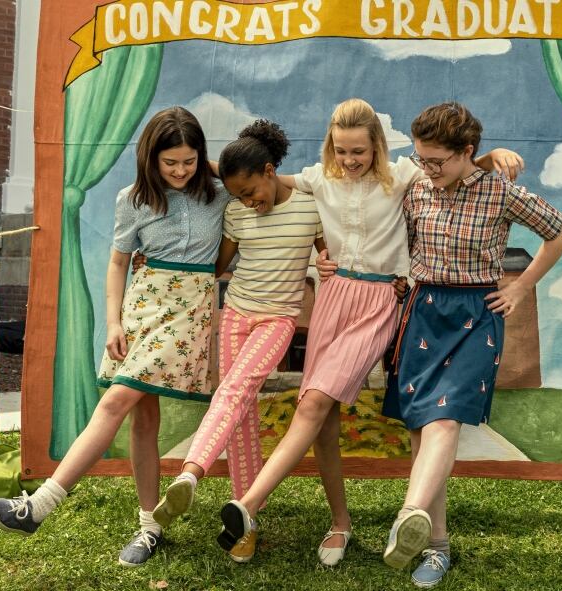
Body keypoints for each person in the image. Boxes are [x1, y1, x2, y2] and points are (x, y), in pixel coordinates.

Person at [213, 98, 525, 567]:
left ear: (376, 145)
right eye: (341, 151)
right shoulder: (319, 179)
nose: (350, 160)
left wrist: (489, 155)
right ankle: (339, 522)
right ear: (330, 147)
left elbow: (454, 166)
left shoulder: (403, 176)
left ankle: (250, 505)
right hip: (333, 298)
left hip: (379, 302)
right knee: (320, 414)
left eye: (358, 150)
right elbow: (264, 182)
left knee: (315, 400)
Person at [0, 106, 232, 567]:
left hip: (188, 312)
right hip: (141, 307)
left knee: (115, 402)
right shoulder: (132, 198)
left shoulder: (219, 194)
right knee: (143, 419)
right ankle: (149, 528)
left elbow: (265, 181)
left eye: (189, 160)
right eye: (169, 162)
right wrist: (114, 322)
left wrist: (212, 166)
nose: (179, 171)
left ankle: (40, 505)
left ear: (202, 157)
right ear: (149, 159)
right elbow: (119, 263)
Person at [380, 102, 562, 588]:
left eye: (438, 160)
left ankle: (409, 514)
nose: (428, 168)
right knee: (422, 433)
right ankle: (436, 545)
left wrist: (521, 285)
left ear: (467, 152)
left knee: (446, 420)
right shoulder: (416, 188)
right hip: (421, 312)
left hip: (475, 316)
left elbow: (561, 231)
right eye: (422, 158)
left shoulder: (499, 192)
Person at [150, 119, 326, 564]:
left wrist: (332, 267)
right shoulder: (236, 211)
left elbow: (330, 255)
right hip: (236, 317)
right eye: (240, 196)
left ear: (270, 171)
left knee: (233, 391)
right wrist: (161, 273)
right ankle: (244, 522)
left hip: (278, 320)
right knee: (240, 415)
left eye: (252, 192)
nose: (249, 202)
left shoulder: (310, 207)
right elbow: (216, 269)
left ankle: (190, 473)